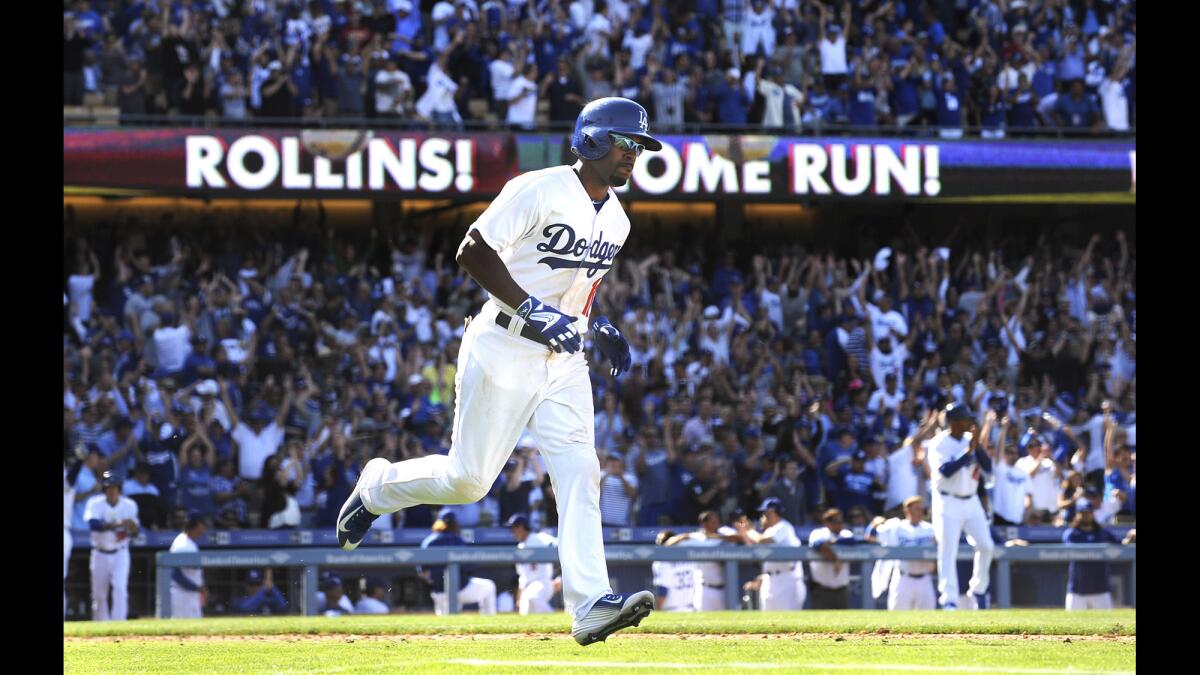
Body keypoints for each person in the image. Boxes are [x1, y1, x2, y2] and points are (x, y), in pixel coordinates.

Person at [335, 97, 660, 646]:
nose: (633, 155)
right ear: (593, 141)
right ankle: (378, 486)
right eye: (626, 143)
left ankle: (590, 605)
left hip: (562, 359)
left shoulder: (620, 221)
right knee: (469, 480)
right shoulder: (539, 187)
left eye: (639, 147)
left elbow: (574, 299)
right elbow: (473, 249)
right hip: (504, 345)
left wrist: (593, 329)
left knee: (582, 471)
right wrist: (531, 310)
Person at [927, 403, 995, 610]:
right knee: (948, 549)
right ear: (955, 422)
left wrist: (977, 446)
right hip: (947, 500)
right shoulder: (939, 443)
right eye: (966, 419)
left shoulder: (969, 439)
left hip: (971, 499)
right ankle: (949, 599)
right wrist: (968, 452)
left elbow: (988, 468)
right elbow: (946, 471)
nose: (970, 422)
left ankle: (978, 589)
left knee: (986, 546)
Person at [84, 471, 139, 621]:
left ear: (119, 488)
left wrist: (132, 525)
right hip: (100, 553)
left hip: (120, 552)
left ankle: (119, 623)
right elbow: (93, 525)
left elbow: (135, 532)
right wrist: (117, 524)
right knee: (99, 594)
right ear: (104, 489)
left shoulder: (129, 505)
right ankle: (101, 625)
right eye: (108, 487)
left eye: (114, 487)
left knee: (120, 589)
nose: (111, 490)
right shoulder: (95, 503)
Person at [419, 510, 498, 616]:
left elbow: (422, 572)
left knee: (445, 624)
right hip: (462, 590)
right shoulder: (457, 540)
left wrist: (436, 581)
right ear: (454, 524)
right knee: (489, 586)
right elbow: (469, 566)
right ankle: (489, 622)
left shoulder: (428, 541)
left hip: (439, 593)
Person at [735, 498, 806, 611]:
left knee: (789, 621)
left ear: (775, 512)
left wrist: (749, 530)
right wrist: (744, 532)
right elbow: (755, 549)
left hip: (788, 579)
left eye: (766, 512)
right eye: (763, 513)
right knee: (769, 622)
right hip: (770, 580)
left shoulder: (784, 526)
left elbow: (761, 540)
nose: (764, 516)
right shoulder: (770, 530)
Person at [662, 511, 742, 611]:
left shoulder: (724, 531)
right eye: (713, 522)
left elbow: (739, 537)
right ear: (704, 524)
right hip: (705, 589)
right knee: (703, 622)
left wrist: (715, 536)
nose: (716, 525)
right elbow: (669, 544)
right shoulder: (697, 537)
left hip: (726, 588)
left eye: (717, 521)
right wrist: (684, 536)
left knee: (729, 622)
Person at [874, 497, 937, 610]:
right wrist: (879, 522)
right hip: (903, 577)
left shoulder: (930, 529)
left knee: (927, 619)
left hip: (924, 577)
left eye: (921, 508)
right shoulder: (896, 527)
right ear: (907, 510)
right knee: (897, 619)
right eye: (916, 508)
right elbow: (875, 534)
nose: (920, 511)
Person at [1062, 502, 1124, 610]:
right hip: (1077, 589)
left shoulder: (1103, 533)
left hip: (1101, 589)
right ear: (1077, 515)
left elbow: (1120, 546)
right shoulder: (1071, 533)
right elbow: (1071, 551)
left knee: (1106, 625)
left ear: (1092, 514)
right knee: (1072, 624)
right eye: (1082, 513)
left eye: (1088, 513)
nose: (1086, 515)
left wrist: (1129, 538)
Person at [507, 513, 560, 614]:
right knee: (525, 614)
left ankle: (553, 621)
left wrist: (559, 578)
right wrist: (519, 597)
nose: (512, 532)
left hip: (543, 582)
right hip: (528, 587)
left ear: (521, 527)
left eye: (513, 528)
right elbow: (522, 577)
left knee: (533, 597)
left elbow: (560, 549)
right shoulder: (520, 548)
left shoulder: (540, 538)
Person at [808, 508, 855, 609]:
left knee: (844, 622)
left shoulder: (846, 533)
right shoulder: (818, 533)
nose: (839, 524)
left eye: (841, 521)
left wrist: (832, 542)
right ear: (827, 522)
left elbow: (851, 541)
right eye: (835, 521)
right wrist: (835, 559)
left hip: (842, 590)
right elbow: (817, 544)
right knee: (820, 623)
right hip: (822, 590)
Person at [168, 513, 207, 618]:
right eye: (203, 524)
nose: (204, 528)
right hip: (182, 595)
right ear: (198, 525)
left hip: (188, 594)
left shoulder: (187, 542)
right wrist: (197, 588)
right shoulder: (183, 544)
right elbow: (175, 574)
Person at [651, 529, 697, 612]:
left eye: (659, 542)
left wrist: (658, 610)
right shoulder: (690, 557)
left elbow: (663, 590)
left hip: (670, 610)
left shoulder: (661, 562)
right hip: (691, 608)